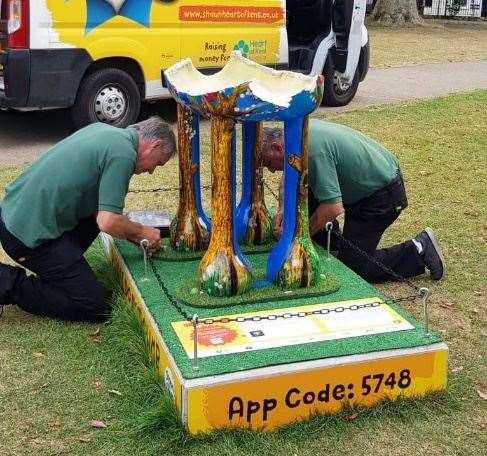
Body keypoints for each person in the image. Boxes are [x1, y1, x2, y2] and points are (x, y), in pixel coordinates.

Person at [0, 116, 176, 321]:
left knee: (100, 216)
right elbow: (107, 221)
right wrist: (142, 231)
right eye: (158, 163)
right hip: (25, 237)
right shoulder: (123, 155)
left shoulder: (105, 131)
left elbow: (99, 212)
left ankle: (63, 271)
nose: (152, 171)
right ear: (155, 145)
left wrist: (133, 235)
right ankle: (6, 282)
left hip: (14, 214)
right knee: (96, 306)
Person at [262, 119, 446, 283]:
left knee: (355, 268)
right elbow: (288, 179)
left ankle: (419, 249)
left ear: (278, 147)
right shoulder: (295, 136)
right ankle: (331, 247)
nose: (270, 171)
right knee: (303, 195)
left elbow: (333, 208)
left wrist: (300, 237)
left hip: (381, 196)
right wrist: (282, 209)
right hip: (367, 182)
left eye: (268, 163)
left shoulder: (312, 151)